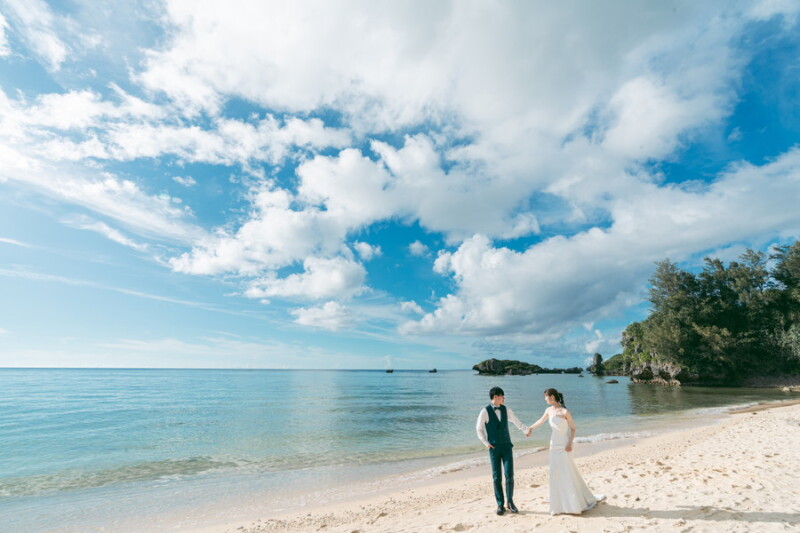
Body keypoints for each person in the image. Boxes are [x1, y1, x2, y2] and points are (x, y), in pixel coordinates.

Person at [527, 388, 606, 515]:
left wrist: (570, 443)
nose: (545, 399)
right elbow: (541, 421)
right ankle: (558, 505)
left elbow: (573, 429)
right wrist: (530, 428)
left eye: (546, 397)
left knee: (567, 472)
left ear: (552, 397)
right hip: (553, 445)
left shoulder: (565, 412)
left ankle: (573, 503)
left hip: (564, 446)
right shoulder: (548, 410)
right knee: (555, 473)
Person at [476, 386, 530, 515]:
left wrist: (525, 430)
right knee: (496, 477)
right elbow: (479, 428)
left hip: (506, 447)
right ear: (496, 397)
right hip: (494, 448)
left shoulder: (507, 410)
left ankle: (510, 502)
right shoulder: (485, 411)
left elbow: (516, 421)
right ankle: (500, 504)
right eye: (502, 396)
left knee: (509, 475)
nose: (504, 398)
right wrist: (486, 443)